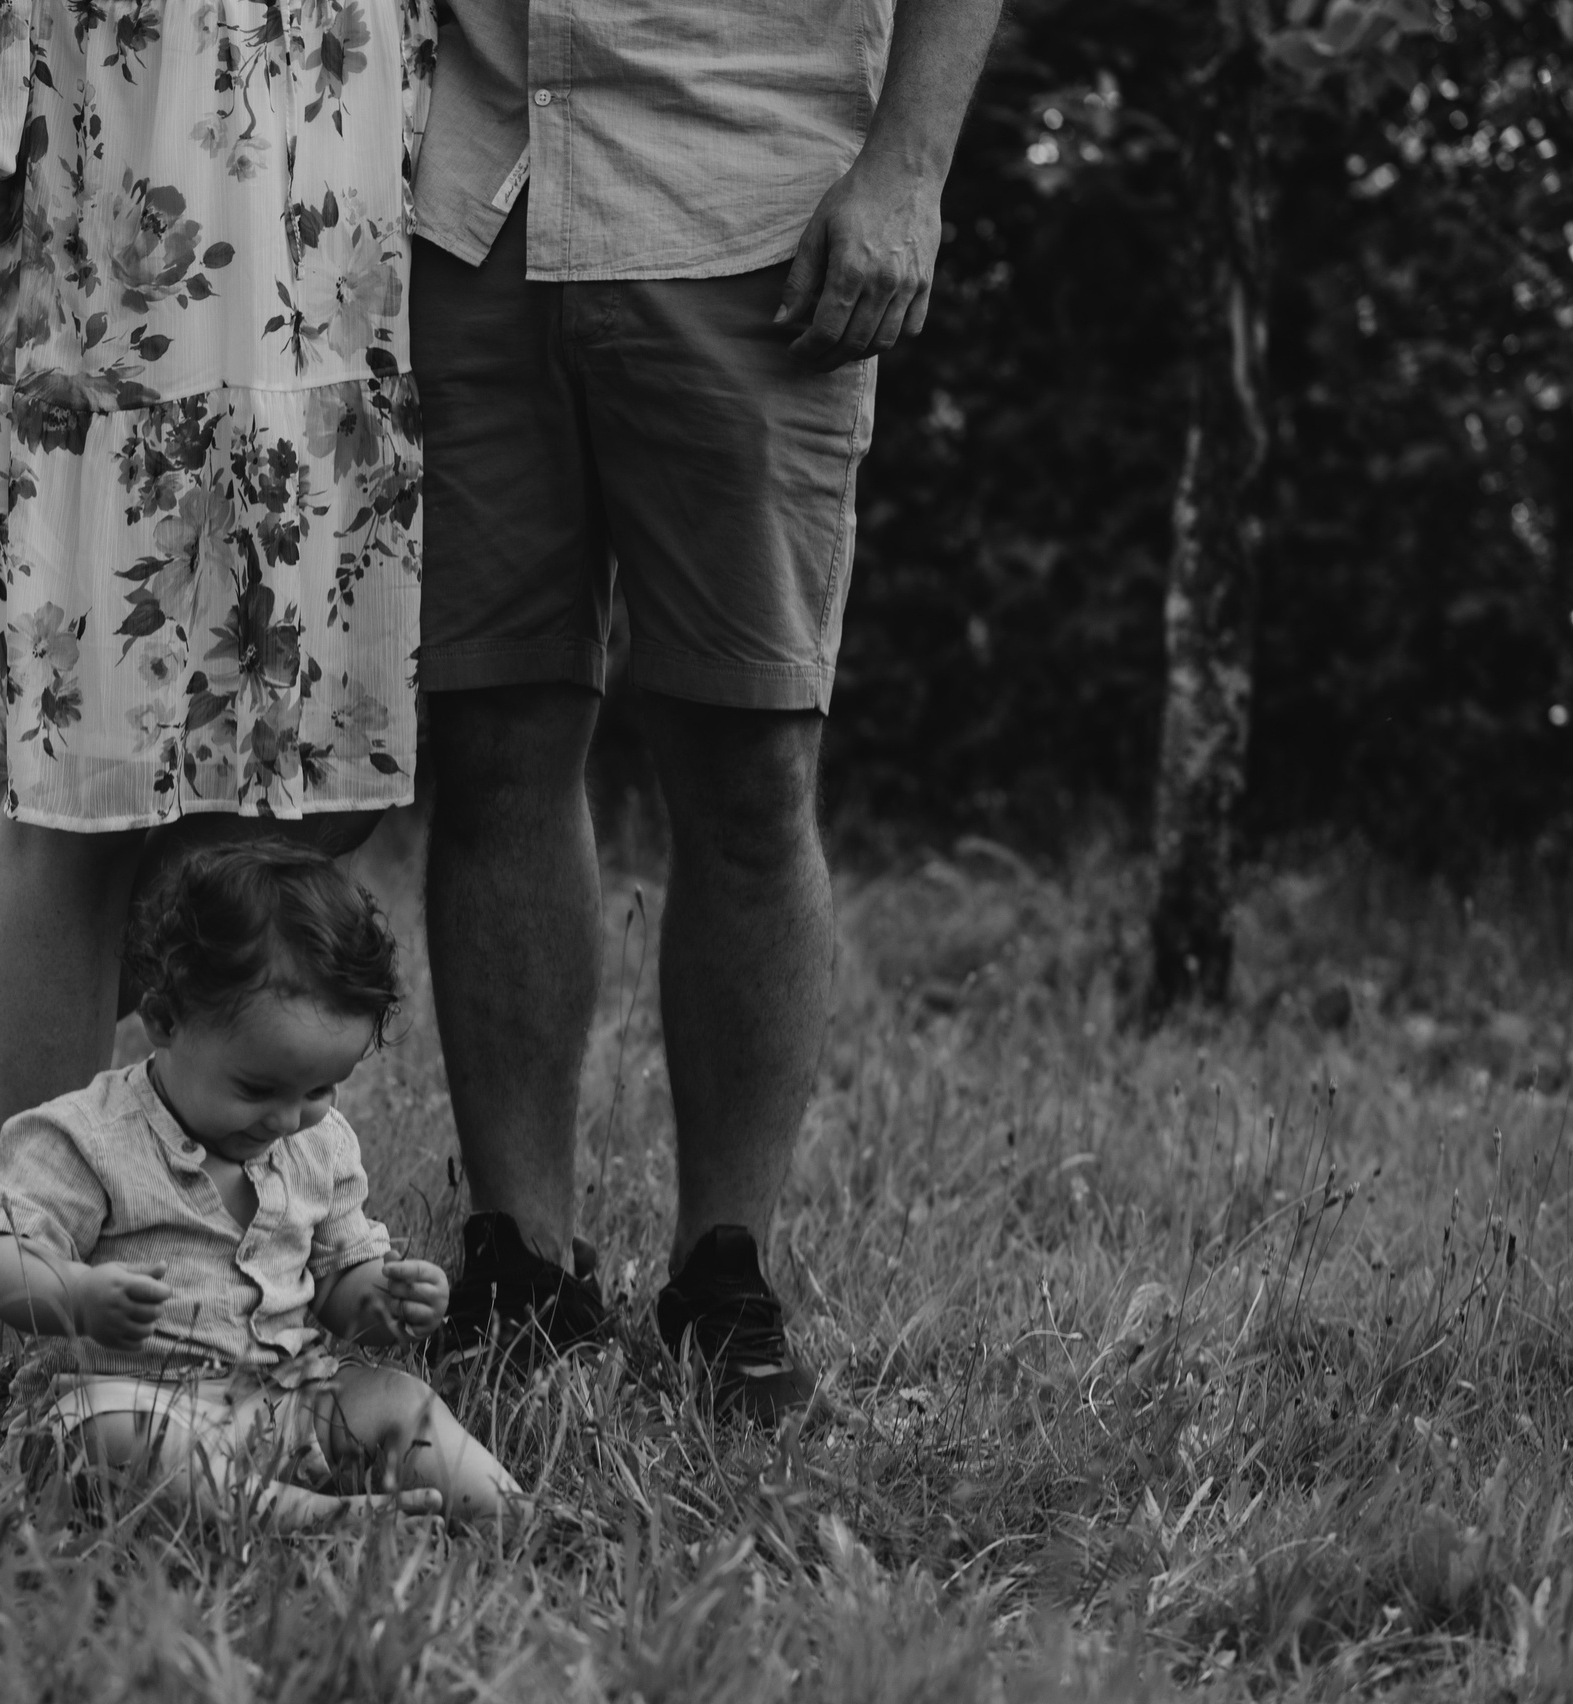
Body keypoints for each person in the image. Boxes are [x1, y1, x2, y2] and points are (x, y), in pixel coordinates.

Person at [410, 0, 1006, 1420]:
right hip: (469, 197)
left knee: (746, 767)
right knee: (492, 742)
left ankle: (722, 1274)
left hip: (754, 206)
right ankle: (521, 1267)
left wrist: (909, 170)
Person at [0, 0, 436, 1278]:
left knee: (302, 791)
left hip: (328, 238)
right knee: (87, 784)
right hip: (117, 228)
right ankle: (60, 1250)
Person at [0, 844, 521, 1527]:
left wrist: (385, 1299)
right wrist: (75, 1298)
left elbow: (342, 1291)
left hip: (289, 1400)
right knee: (111, 1439)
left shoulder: (318, 1143)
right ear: (165, 1021)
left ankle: (512, 1513)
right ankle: (311, 1520)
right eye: (258, 1088)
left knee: (398, 1401)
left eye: (320, 1088)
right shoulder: (85, 1135)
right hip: (134, 1397)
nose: (289, 1118)